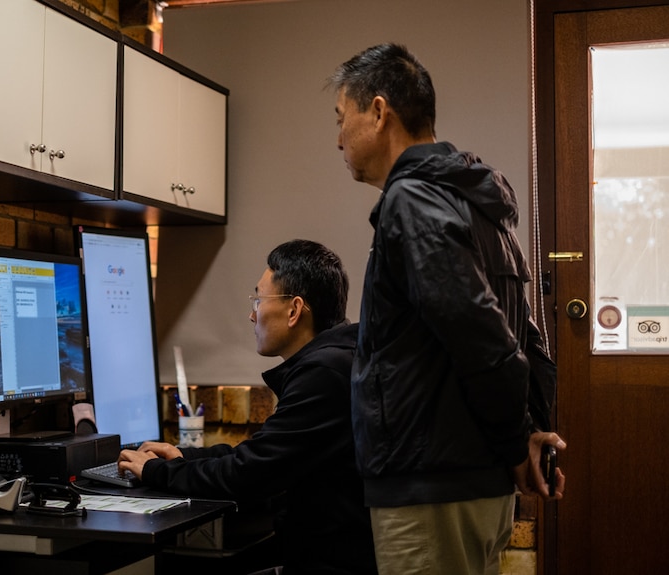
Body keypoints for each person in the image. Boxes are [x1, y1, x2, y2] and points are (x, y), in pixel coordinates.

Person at [327, 43, 566, 574]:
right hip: (473, 484)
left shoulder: (411, 199)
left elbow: (481, 333)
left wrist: (514, 443)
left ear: (380, 111)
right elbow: (530, 341)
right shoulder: (479, 202)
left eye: (342, 119)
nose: (337, 138)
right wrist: (528, 432)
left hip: (430, 486)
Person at [118, 239, 376, 575]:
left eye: (259, 299)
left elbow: (249, 473)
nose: (252, 313)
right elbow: (265, 454)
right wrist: (186, 457)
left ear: (294, 310)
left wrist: (155, 471)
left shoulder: (323, 374)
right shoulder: (340, 357)